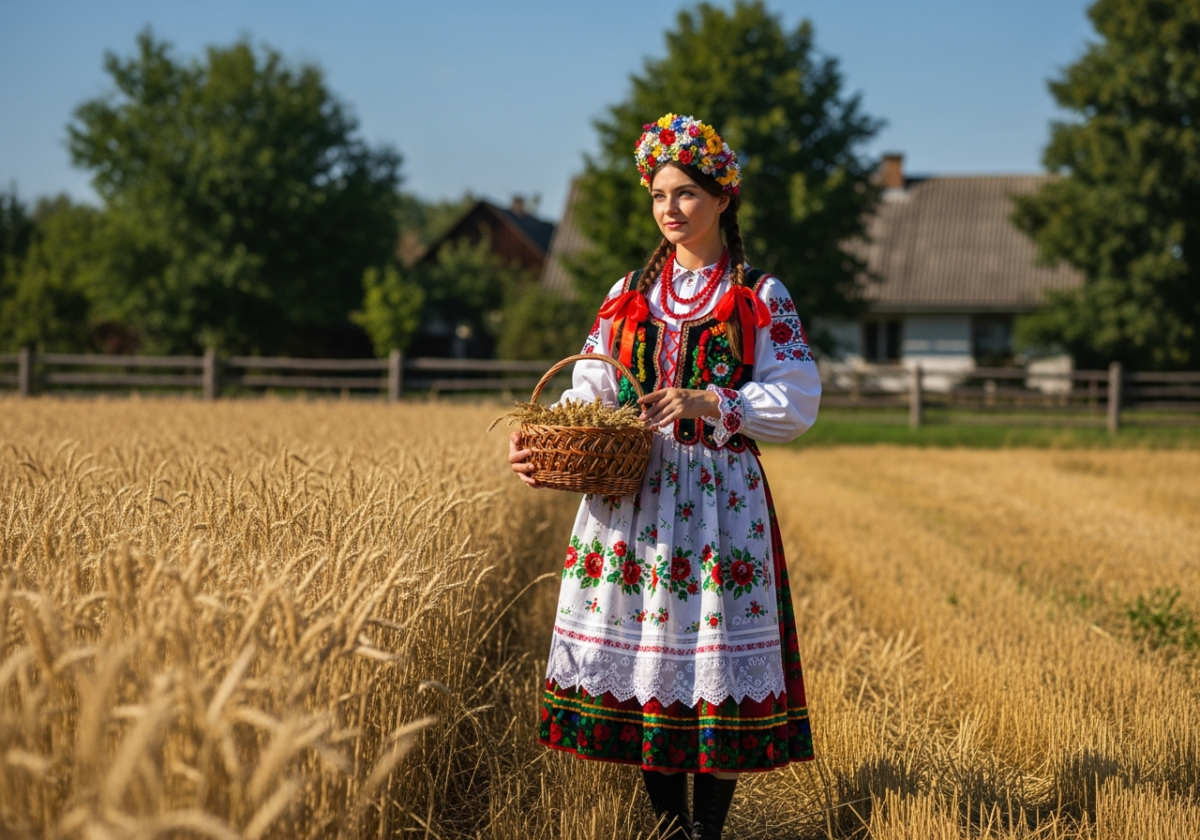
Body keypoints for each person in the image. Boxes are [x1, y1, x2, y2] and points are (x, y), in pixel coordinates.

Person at [508, 114, 820, 840]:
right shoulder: (629, 292)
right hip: (636, 497)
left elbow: (799, 398)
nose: (670, 210)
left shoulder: (759, 297)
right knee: (651, 661)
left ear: (722, 198)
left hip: (720, 502)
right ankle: (666, 827)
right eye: (658, 196)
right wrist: (546, 437)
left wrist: (715, 402)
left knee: (710, 662)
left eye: (685, 194)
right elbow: (590, 386)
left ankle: (707, 829)